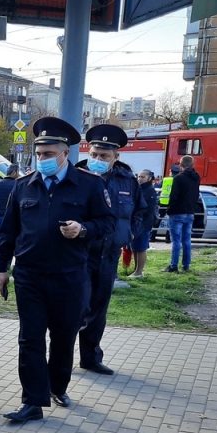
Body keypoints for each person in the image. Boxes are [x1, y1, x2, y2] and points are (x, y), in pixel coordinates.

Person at [0, 117, 115, 424]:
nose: (42, 159)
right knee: (29, 338)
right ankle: (32, 401)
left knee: (62, 338)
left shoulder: (89, 185)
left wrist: (83, 228)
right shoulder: (24, 186)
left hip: (70, 276)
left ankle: (57, 387)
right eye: (39, 154)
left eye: (48, 154)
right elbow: (7, 231)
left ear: (65, 154)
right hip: (30, 275)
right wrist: (0, 268)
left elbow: (107, 224)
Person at [77, 124, 149, 376]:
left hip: (109, 255)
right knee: (75, 307)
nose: (97, 160)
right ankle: (61, 358)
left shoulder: (127, 180)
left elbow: (139, 211)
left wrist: (128, 234)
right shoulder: (77, 177)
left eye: (104, 156)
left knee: (98, 309)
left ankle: (91, 357)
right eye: (94, 154)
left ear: (116, 157)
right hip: (80, 254)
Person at [166, 155, 200, 273]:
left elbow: (173, 196)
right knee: (187, 240)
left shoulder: (178, 178)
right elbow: (196, 195)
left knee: (176, 240)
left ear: (181, 165)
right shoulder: (196, 177)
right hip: (190, 211)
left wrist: (169, 210)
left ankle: (173, 265)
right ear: (192, 165)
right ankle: (186, 265)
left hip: (177, 212)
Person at [129, 169, 160, 277]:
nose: (139, 179)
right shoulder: (140, 189)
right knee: (135, 247)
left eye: (142, 177)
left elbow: (148, 209)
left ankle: (139, 271)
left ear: (149, 178)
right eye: (139, 176)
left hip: (144, 223)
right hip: (137, 222)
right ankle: (136, 270)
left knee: (141, 248)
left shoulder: (149, 190)